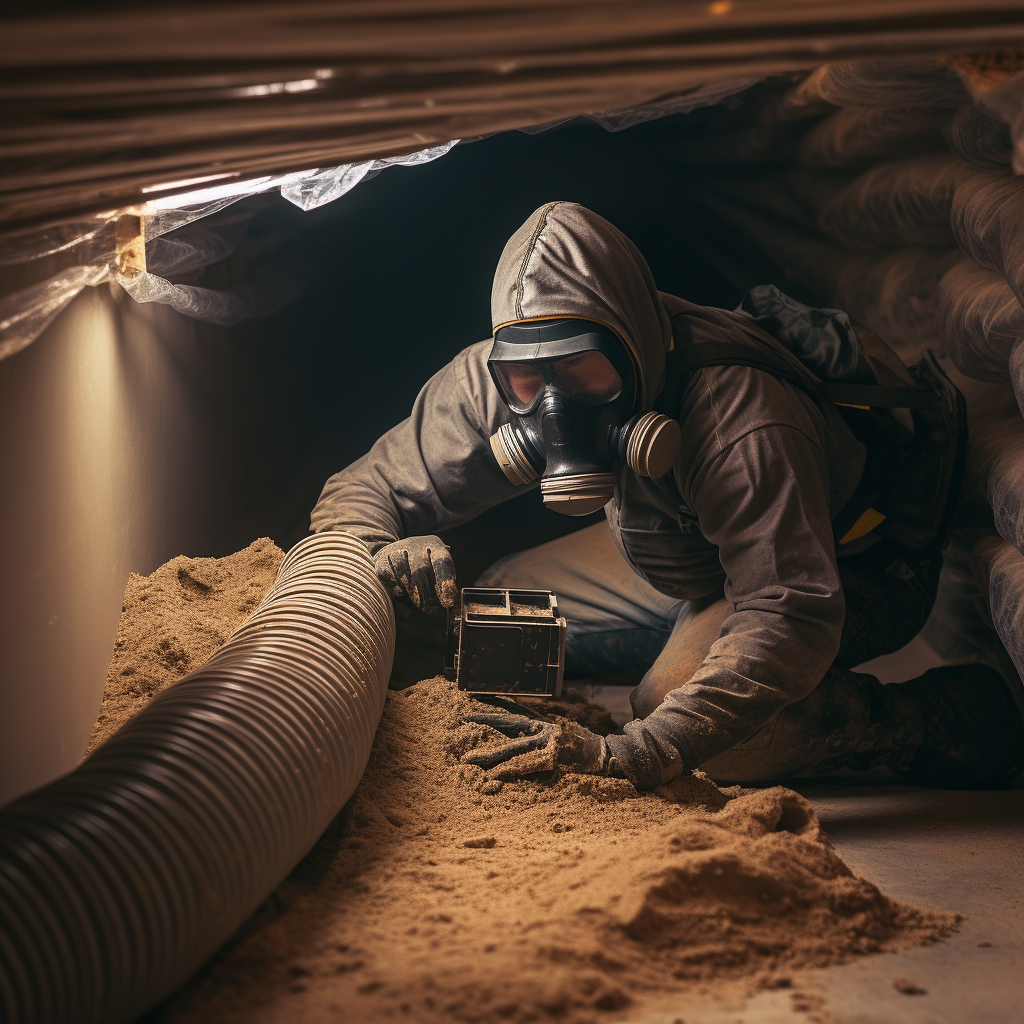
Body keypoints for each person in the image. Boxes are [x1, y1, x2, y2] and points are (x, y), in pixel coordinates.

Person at [312, 201, 1024, 791]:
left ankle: (945, 720)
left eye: (586, 372)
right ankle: (692, 638)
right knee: (498, 614)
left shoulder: (740, 415)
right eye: (531, 383)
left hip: (838, 563)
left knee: (688, 720)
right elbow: (360, 489)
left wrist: (642, 750)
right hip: (682, 548)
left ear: (636, 346)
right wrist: (387, 549)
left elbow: (791, 612)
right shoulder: (496, 378)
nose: (556, 408)